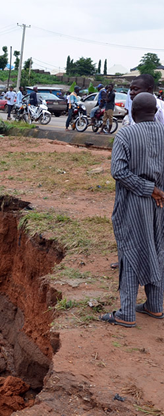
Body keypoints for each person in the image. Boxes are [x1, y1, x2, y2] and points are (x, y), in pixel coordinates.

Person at [101, 92, 164, 328]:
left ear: (133, 112)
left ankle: (126, 313)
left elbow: (119, 171)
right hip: (161, 203)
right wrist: (158, 191)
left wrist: (148, 188)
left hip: (135, 203)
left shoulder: (126, 133)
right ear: (156, 112)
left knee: (129, 251)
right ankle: (155, 306)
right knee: (158, 250)